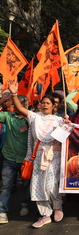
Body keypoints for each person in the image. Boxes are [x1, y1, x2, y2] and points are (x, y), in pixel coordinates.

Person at [7, 79, 68, 228]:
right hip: (39, 156)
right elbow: (20, 109)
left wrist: (67, 125)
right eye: (43, 103)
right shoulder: (35, 117)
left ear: (54, 106)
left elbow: (65, 137)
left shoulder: (60, 120)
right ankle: (45, 214)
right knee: (39, 186)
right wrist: (14, 94)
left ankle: (57, 207)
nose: (45, 105)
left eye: (48, 103)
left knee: (52, 185)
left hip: (55, 157)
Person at [0, 95, 30, 224]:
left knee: (25, 184)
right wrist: (3, 99)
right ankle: (2, 212)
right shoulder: (7, 116)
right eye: (15, 104)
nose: (16, 107)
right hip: (9, 157)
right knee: (5, 186)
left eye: (20, 104)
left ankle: (25, 205)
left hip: (25, 158)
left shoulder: (31, 119)